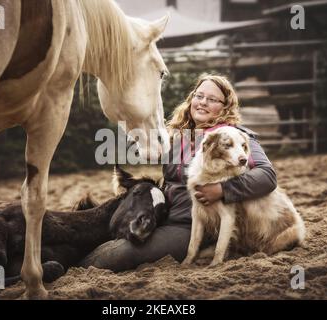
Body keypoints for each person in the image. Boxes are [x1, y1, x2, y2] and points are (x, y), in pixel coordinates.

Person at [78, 74, 277, 271]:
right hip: (159, 212)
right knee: (91, 233)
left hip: (190, 224)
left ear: (225, 107)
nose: (203, 103)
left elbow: (266, 175)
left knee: (116, 255)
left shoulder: (234, 136)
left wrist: (222, 189)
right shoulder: (179, 134)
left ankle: (70, 269)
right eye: (199, 96)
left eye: (213, 99)